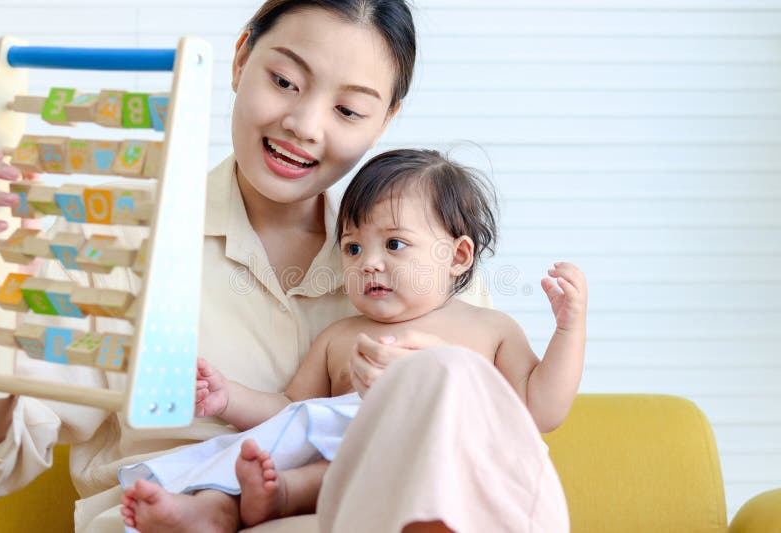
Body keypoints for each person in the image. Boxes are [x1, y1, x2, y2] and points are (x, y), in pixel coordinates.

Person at [118, 148, 586, 533]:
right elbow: (288, 414)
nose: (369, 263)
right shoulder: (340, 337)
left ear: (457, 255)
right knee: (242, 465)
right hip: (346, 470)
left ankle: (279, 494)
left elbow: (540, 411)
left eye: (394, 244)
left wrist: (568, 331)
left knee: (366, 458)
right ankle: (212, 512)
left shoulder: (489, 328)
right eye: (353, 247)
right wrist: (227, 397)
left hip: (429, 462)